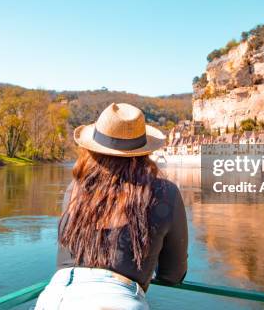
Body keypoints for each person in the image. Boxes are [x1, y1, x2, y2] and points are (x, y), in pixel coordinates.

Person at [34, 103, 188, 310]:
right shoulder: (165, 193)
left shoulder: (76, 188)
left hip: (54, 298)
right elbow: (172, 275)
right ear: (144, 152)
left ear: (91, 149)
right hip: (116, 302)